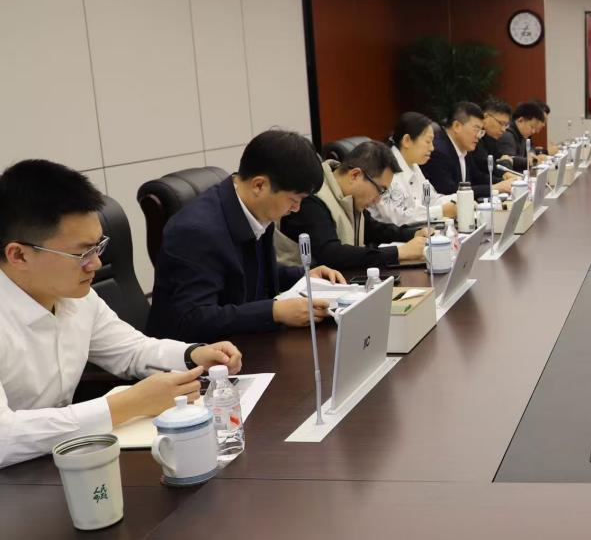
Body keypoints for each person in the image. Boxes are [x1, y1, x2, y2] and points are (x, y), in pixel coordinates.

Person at [0, 160, 244, 469]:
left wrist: (192, 354)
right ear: (19, 255)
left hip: (61, 462)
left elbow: (131, 350)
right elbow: (4, 437)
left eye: (98, 247)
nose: (96, 264)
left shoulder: (77, 298)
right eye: (81, 253)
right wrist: (126, 405)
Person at [149, 130, 348, 341]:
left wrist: (304, 276)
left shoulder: (257, 208)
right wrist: (274, 312)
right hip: (191, 354)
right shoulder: (196, 231)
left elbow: (246, 274)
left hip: (242, 341)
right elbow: (194, 318)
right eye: (294, 199)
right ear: (259, 185)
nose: (296, 208)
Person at [277, 141, 429, 271]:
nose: (378, 199)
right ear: (355, 175)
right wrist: (399, 252)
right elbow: (331, 255)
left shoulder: (349, 198)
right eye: (380, 190)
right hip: (304, 291)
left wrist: (412, 234)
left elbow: (371, 229)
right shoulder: (312, 198)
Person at [368, 112, 457, 227]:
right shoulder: (387, 169)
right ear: (407, 140)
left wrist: (460, 198)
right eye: (428, 141)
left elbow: (431, 200)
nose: (432, 148)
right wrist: (441, 211)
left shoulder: (413, 164)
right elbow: (398, 218)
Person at [420, 102, 515, 199]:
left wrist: (505, 181)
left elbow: (477, 178)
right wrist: (495, 188)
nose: (478, 136)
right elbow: (450, 192)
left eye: (481, 131)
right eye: (476, 129)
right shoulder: (438, 152)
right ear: (457, 126)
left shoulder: (464, 147)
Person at [471, 99, 518, 194]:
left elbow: (499, 162)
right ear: (485, 117)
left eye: (506, 125)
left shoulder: (490, 138)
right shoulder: (473, 140)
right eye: (501, 123)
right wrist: (502, 181)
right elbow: (482, 171)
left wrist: (505, 175)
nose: (503, 129)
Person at [499, 101, 547, 172]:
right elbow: (510, 159)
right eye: (532, 127)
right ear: (520, 120)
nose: (533, 131)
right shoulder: (507, 135)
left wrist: (531, 153)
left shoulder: (523, 134)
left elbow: (530, 147)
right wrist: (531, 160)